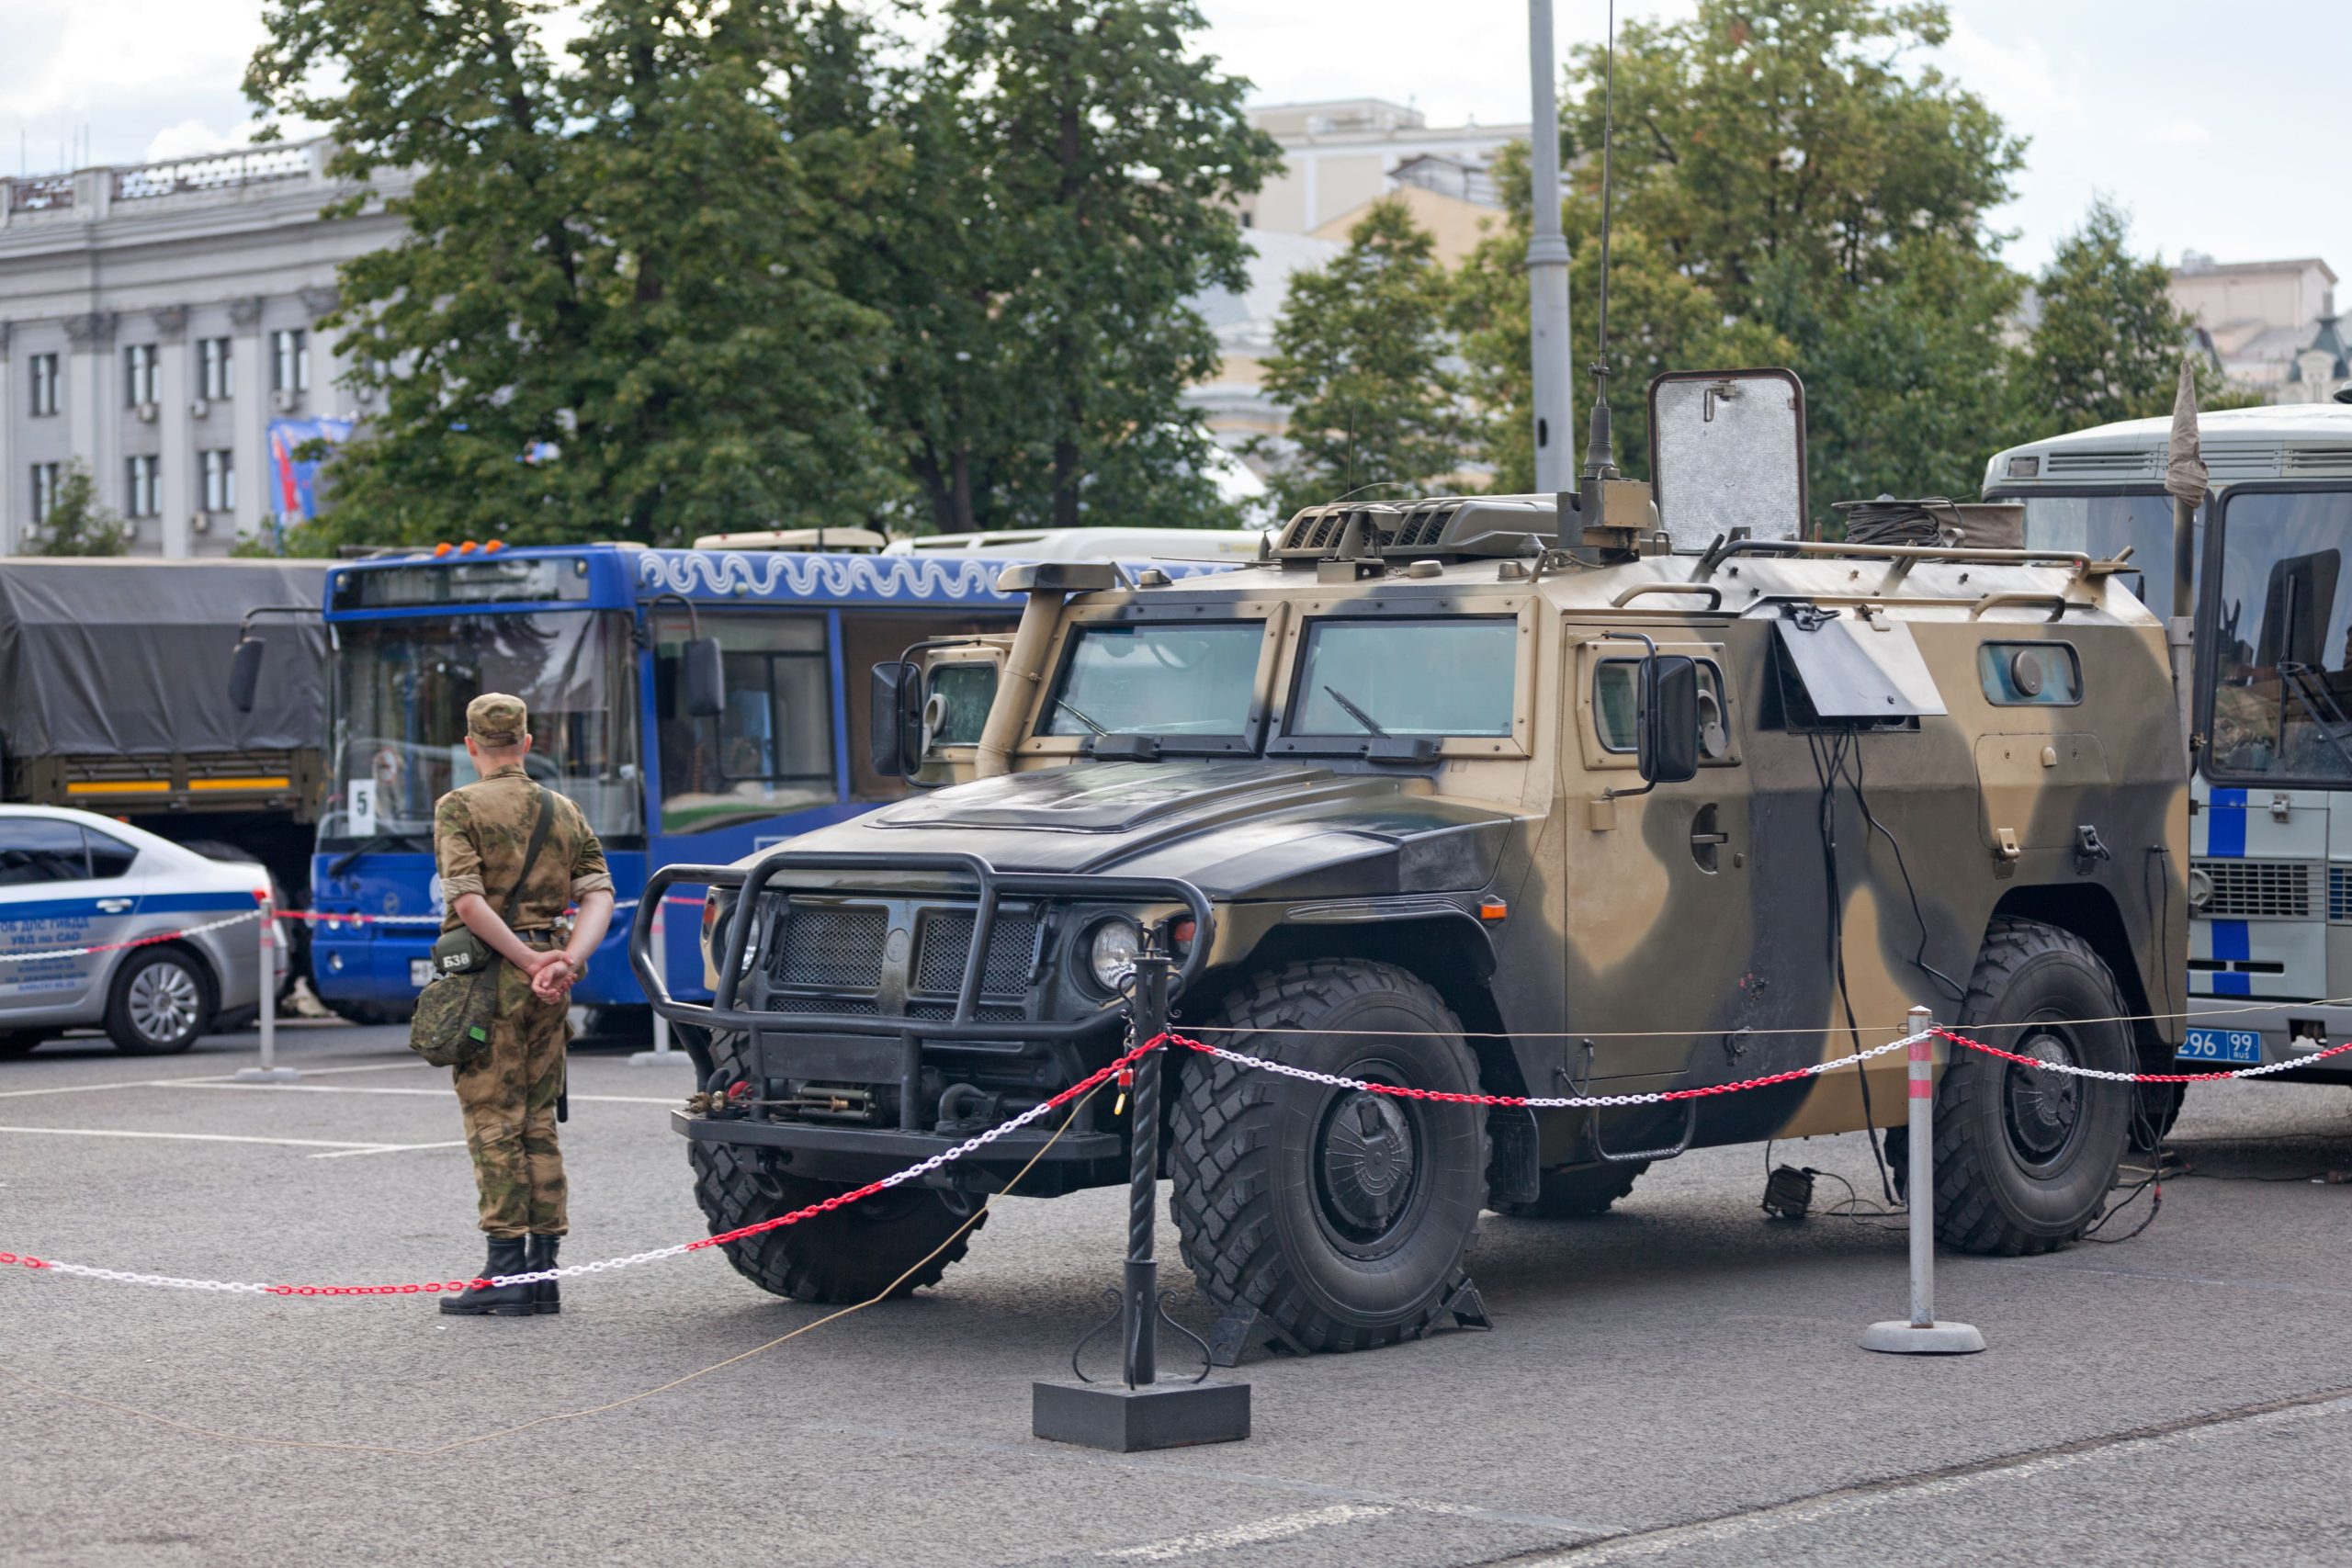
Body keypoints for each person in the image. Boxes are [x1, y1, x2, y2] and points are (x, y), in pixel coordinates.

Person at [432, 693, 616, 1317]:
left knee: (493, 1119)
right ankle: (543, 1272)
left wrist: (526, 960)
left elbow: (468, 903)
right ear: (528, 743)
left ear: (471, 746)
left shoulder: (458, 806)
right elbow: (599, 893)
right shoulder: (561, 808)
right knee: (539, 1117)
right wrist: (564, 960)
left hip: (494, 979)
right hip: (550, 984)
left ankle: (503, 1268)